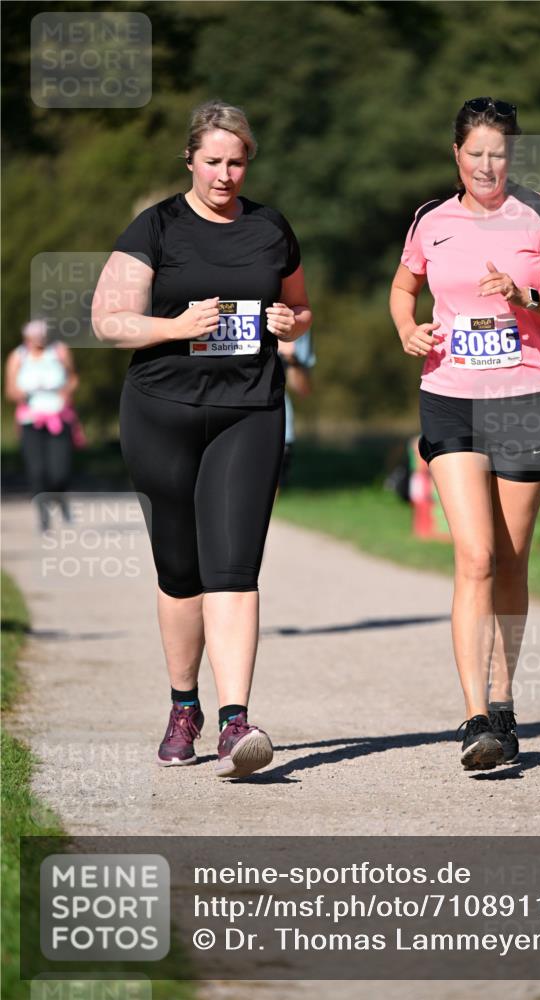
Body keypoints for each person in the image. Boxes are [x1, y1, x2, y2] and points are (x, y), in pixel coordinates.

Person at [91, 100, 311, 778]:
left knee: (234, 566)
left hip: (249, 409)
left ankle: (234, 720)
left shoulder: (271, 227)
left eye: (236, 161)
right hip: (161, 411)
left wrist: (289, 323)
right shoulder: (155, 227)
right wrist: (175, 325)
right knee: (180, 570)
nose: (224, 174)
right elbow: (107, 321)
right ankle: (183, 705)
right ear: (190, 160)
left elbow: (301, 308)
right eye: (212, 161)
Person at [389, 97, 540, 771]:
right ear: (456, 153)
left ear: (512, 156)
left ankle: (505, 705)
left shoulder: (535, 214)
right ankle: (474, 716)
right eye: (474, 152)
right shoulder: (429, 219)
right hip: (449, 397)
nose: (486, 165)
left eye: (498, 153)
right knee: (473, 555)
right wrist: (406, 327)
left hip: (526, 398)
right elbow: (402, 289)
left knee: (510, 560)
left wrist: (525, 296)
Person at [4, 319, 83, 532]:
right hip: (31, 420)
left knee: (60, 471)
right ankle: (44, 516)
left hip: (58, 417)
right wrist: (20, 393)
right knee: (37, 471)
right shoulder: (17, 357)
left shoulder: (59, 351)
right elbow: (9, 389)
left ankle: (60, 498)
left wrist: (66, 393)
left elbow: (73, 378)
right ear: (27, 338)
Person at [277, 330, 315, 488]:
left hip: (277, 426)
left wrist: (291, 359)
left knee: (262, 501)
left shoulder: (294, 320)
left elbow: (303, 389)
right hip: (218, 416)